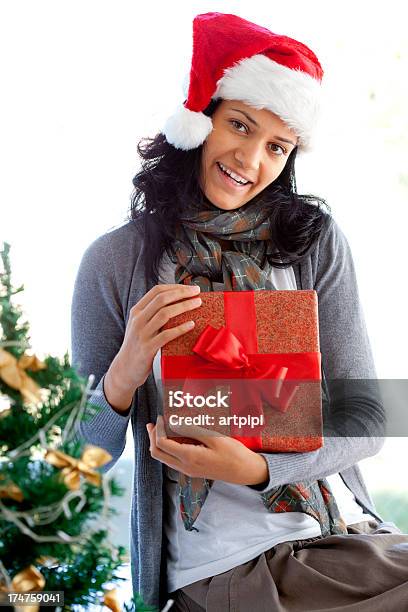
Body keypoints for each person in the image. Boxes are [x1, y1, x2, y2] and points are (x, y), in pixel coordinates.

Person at [71, 12, 408, 612]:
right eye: (240, 126)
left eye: (276, 145)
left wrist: (259, 470)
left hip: (343, 534)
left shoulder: (311, 243)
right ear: (201, 122)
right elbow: (72, 456)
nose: (251, 160)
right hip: (228, 565)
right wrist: (123, 376)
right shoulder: (117, 261)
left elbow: (369, 415)